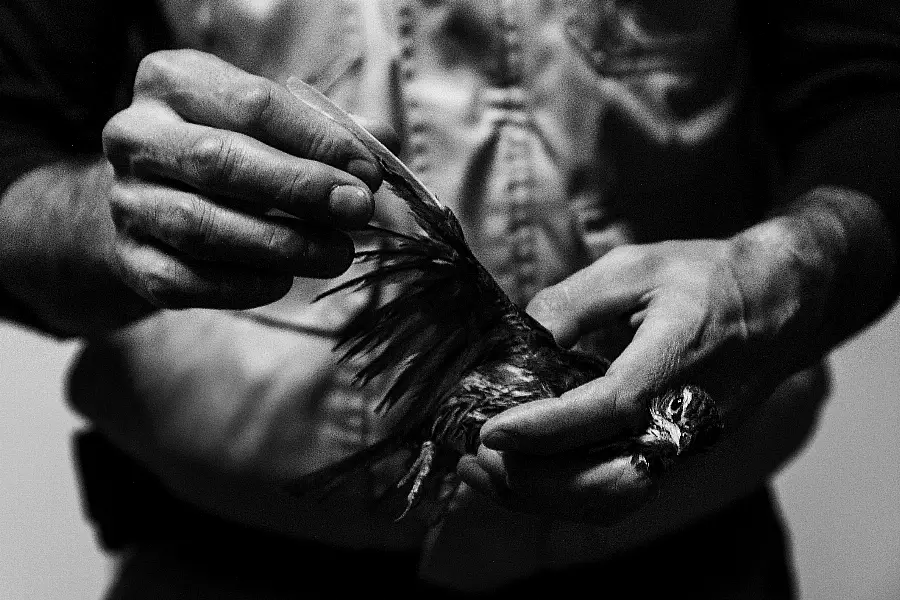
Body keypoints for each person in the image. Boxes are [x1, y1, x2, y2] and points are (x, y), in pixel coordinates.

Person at [1, 0, 897, 597]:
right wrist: (103, 225)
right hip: (216, 562)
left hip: (689, 556)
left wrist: (801, 266)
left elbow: (870, 91)